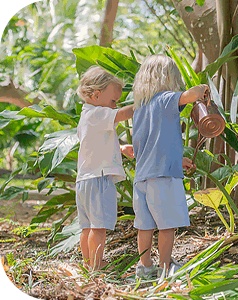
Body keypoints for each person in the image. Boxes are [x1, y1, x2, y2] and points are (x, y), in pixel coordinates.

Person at [132, 54, 209, 278]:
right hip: (163, 177)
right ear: (169, 77)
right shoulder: (165, 99)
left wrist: (177, 159)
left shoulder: (140, 109)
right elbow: (191, 95)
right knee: (167, 225)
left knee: (144, 226)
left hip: (142, 176)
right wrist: (203, 87)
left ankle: (145, 268)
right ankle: (166, 268)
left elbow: (149, 145)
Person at [76, 66, 134, 270]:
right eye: (113, 101)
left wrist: (120, 148)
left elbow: (92, 144)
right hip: (98, 179)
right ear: (96, 94)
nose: (116, 105)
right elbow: (123, 114)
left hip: (84, 181)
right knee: (99, 228)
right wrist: (145, 104)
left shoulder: (86, 116)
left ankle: (88, 263)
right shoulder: (99, 113)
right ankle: (97, 265)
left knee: (87, 228)